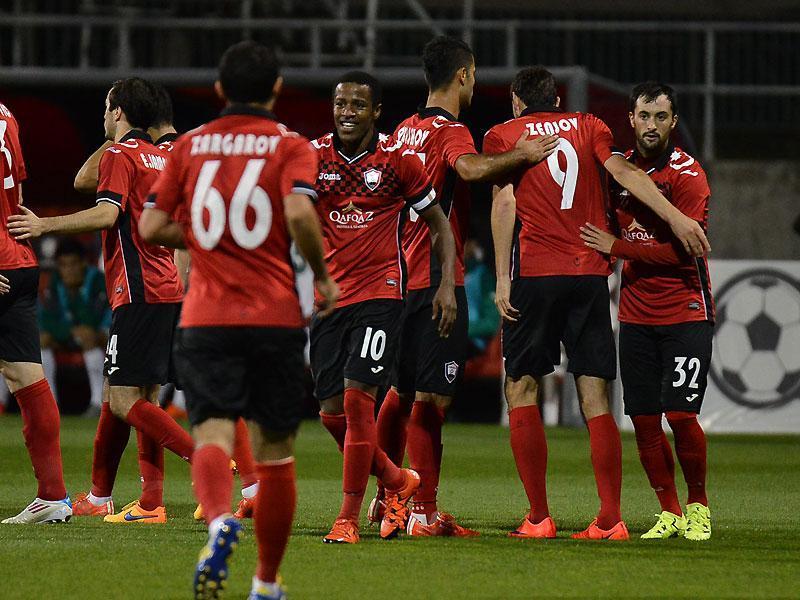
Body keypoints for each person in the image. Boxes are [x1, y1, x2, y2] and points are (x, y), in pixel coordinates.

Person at [140, 40, 337, 600]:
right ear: (277, 89)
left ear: (220, 89)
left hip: (206, 317)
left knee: (212, 432)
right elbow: (298, 211)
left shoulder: (190, 145)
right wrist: (322, 276)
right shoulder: (292, 145)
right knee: (276, 453)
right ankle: (266, 583)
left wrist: (208, 238)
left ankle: (219, 520)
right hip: (274, 317)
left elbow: (150, 227)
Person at [485, 66, 710, 541]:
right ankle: (610, 518)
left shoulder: (505, 134)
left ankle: (539, 517)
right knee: (595, 394)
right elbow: (624, 171)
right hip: (588, 274)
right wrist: (674, 217)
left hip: (536, 274)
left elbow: (504, 203)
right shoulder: (591, 126)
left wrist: (502, 278)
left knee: (521, 387)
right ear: (557, 100)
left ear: (517, 101)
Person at [371, 35, 558, 537]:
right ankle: (422, 511)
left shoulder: (403, 130)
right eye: (473, 75)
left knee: (400, 390)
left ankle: (387, 496)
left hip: (397, 276)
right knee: (432, 399)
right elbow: (470, 168)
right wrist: (521, 154)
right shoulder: (451, 131)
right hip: (437, 279)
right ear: (463, 75)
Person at [8, 77, 195, 525]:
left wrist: (45, 225)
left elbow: (106, 211)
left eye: (107, 107)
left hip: (137, 288)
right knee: (140, 395)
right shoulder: (160, 156)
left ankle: (208, 460)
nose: (103, 115)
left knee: (124, 402)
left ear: (117, 111)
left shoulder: (119, 155)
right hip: (166, 285)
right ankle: (146, 501)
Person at [311, 71, 457, 543]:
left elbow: (439, 224)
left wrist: (446, 285)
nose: (347, 112)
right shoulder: (312, 158)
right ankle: (397, 479)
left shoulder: (398, 160)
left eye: (357, 104)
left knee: (358, 403)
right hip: (329, 299)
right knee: (330, 412)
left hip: (382, 293)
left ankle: (348, 518)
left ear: (376, 111)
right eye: (340, 103)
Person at [580, 82, 713, 541]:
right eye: (644, 116)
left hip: (686, 310)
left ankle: (699, 506)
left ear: (673, 121)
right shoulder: (619, 172)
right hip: (636, 314)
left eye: (660, 116)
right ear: (631, 119)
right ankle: (670, 512)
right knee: (642, 419)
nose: (651, 125)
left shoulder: (689, 174)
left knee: (681, 415)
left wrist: (617, 248)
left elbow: (683, 252)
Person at [0, 100, 71, 524]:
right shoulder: (6, 115)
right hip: (19, 258)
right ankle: (53, 497)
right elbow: (19, 194)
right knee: (27, 378)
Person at [39, 238, 110, 414]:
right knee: (42, 340)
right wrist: (69, 331)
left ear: (83, 263)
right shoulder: (55, 281)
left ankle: (98, 403)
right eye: (63, 265)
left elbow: (92, 322)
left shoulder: (97, 280)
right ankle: (50, 404)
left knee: (88, 337)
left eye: (73, 264)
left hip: (105, 333)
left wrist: (75, 293)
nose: (68, 270)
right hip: (71, 333)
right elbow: (46, 320)